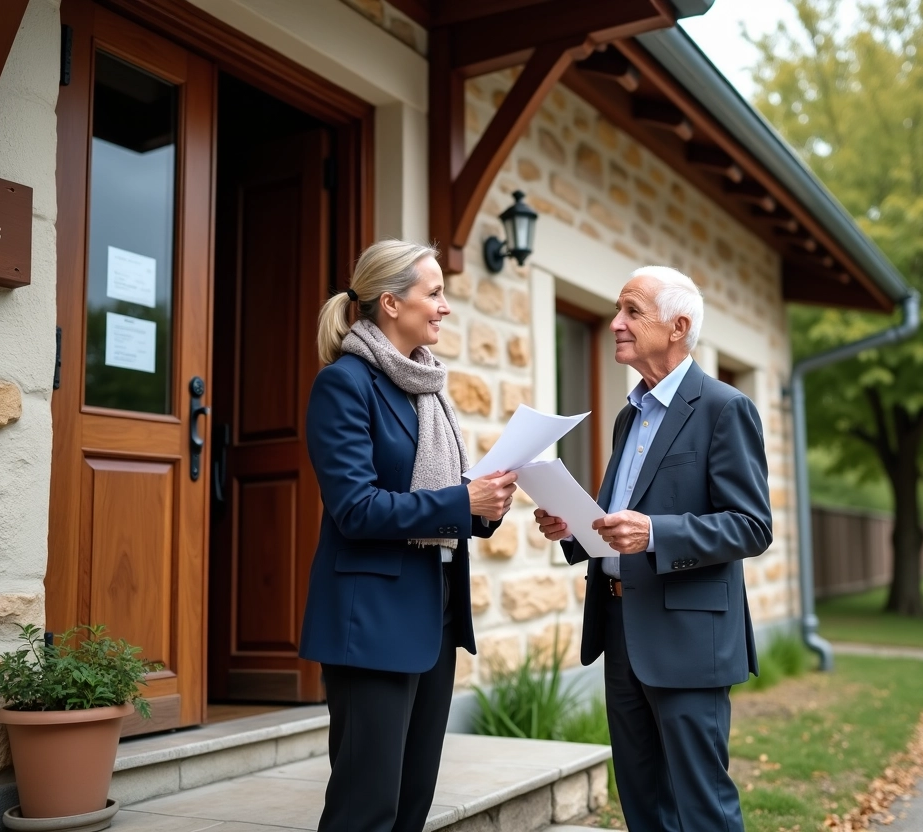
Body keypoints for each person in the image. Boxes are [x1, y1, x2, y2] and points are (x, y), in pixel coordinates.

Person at [535, 266, 772, 832]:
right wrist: (575, 529)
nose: (615, 322)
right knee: (642, 803)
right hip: (621, 627)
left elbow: (751, 526)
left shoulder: (724, 408)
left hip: (690, 639)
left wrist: (658, 534)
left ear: (678, 326)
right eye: (618, 310)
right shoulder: (628, 415)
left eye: (631, 312)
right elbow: (619, 521)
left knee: (703, 806)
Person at [299, 240, 518, 832]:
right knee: (366, 808)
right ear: (391, 303)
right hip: (369, 623)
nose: (446, 306)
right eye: (435, 293)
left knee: (413, 800)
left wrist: (485, 506)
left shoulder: (428, 388)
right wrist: (458, 501)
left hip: (433, 618)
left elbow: (442, 503)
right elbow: (356, 509)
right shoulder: (345, 385)